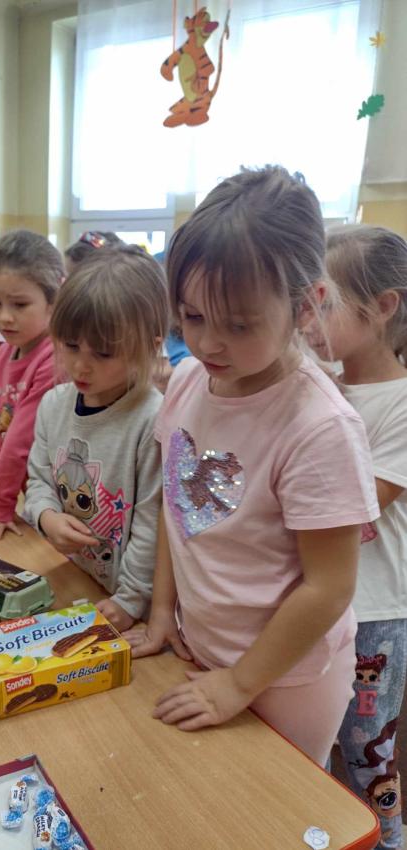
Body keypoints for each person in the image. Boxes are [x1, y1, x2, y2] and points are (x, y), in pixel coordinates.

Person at [124, 166, 379, 767]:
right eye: (191, 317)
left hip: (286, 678)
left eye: (238, 325)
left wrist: (240, 683)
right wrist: (161, 613)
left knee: (271, 808)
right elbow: (177, 511)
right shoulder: (189, 381)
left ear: (306, 306)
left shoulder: (319, 426)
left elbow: (329, 587)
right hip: (203, 650)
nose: (208, 343)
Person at [307, 225, 407, 849]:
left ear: (385, 306)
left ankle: (388, 841)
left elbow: (359, 514)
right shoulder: (321, 382)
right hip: (314, 603)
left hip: (373, 614)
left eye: (326, 302)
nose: (308, 319)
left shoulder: (400, 402)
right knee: (310, 747)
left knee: (368, 751)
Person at [24, 248, 167, 631]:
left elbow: (153, 525)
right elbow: (39, 480)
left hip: (131, 603)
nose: (81, 365)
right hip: (77, 577)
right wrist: (46, 517)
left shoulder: (152, 419)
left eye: (103, 353)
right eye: (71, 346)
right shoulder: (54, 404)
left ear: (150, 346)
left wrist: (131, 598)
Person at [0, 230, 64, 540]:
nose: (4, 317)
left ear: (54, 300)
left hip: (61, 497)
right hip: (31, 495)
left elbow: (21, 440)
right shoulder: (4, 354)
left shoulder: (55, 358)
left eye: (20, 305)